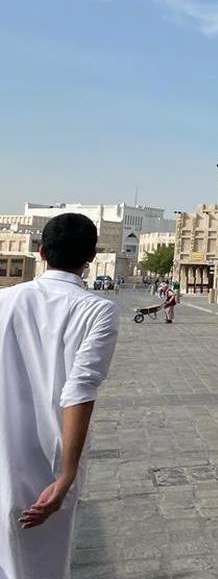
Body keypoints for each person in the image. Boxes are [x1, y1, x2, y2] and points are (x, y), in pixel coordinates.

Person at [0, 213, 120, 579]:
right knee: (42, 563)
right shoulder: (96, 310)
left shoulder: (5, 300)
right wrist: (66, 475)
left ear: (40, 252)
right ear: (90, 258)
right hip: (50, 458)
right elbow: (80, 388)